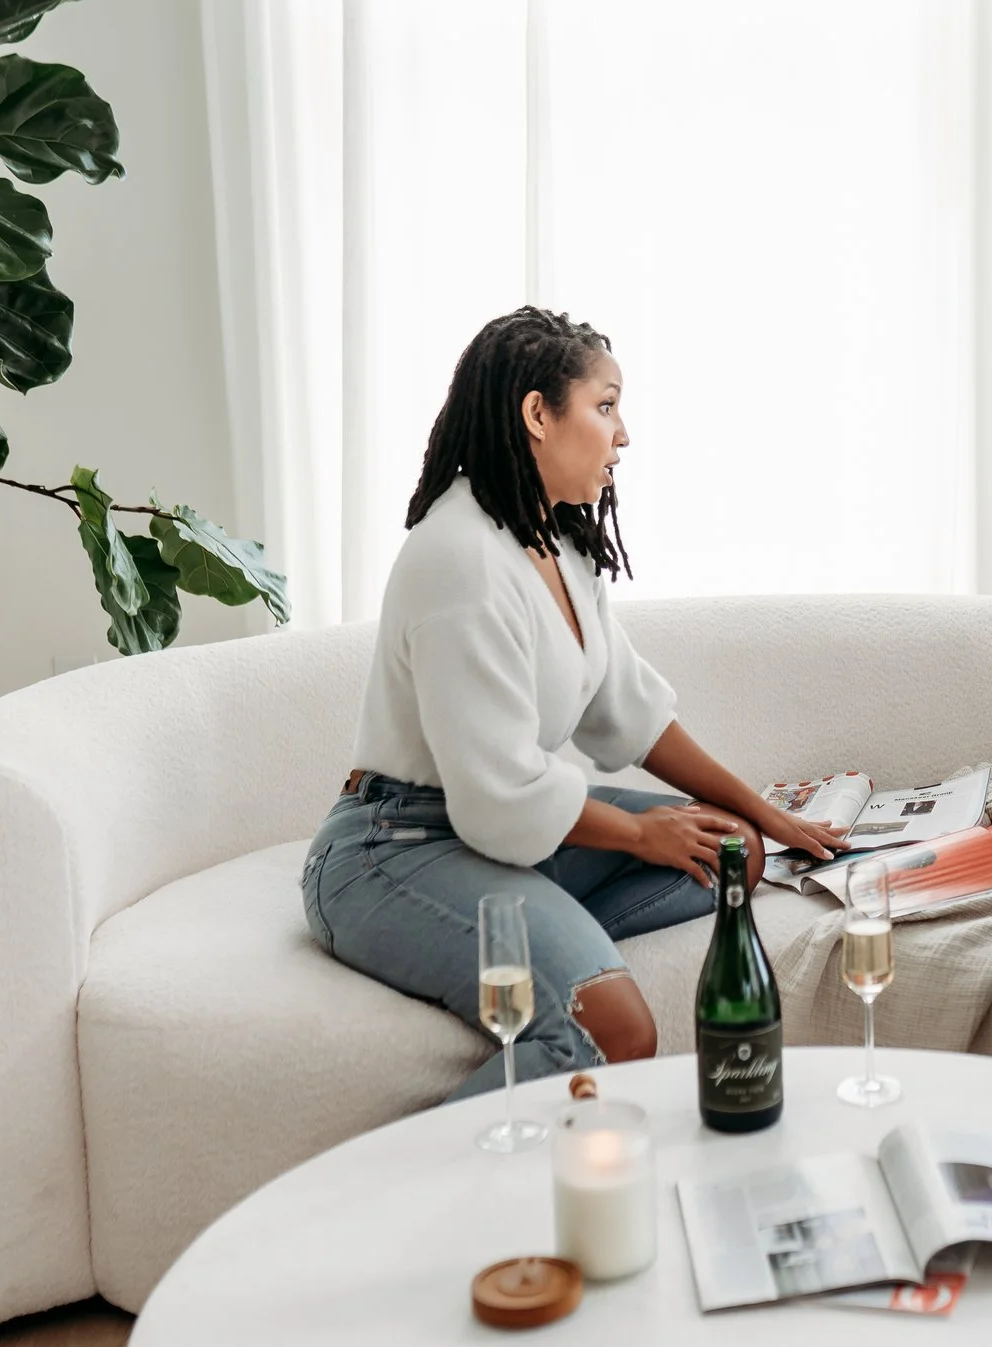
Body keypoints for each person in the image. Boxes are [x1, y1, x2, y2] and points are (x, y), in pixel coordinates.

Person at [302, 306, 847, 1097]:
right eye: (606, 404)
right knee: (615, 1026)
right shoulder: (459, 559)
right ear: (537, 414)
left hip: (491, 834)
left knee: (732, 853)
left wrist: (765, 814)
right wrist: (636, 832)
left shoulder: (554, 543)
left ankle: (549, 932)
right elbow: (498, 795)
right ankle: (412, 1196)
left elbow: (630, 708)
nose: (623, 433)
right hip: (395, 846)